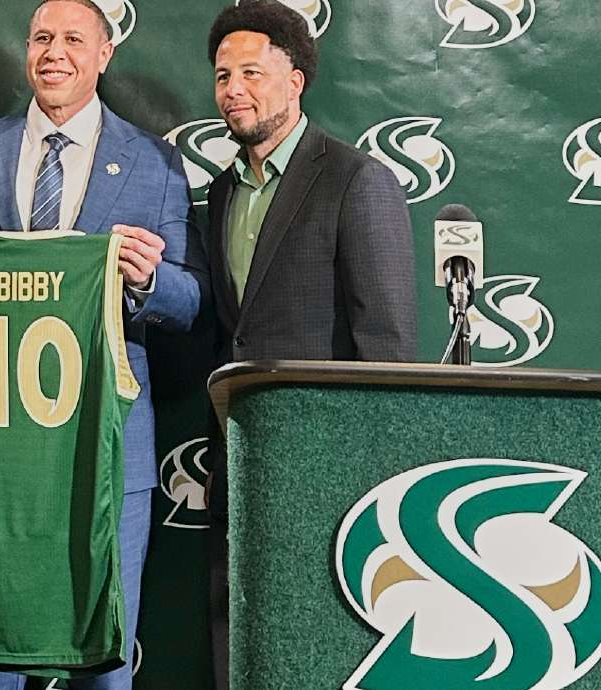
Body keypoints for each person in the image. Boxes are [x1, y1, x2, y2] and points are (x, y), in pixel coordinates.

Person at [0, 1, 206, 688]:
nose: (53, 52)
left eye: (72, 39)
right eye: (41, 38)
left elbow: (189, 301)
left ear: (104, 54)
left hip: (108, 449)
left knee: (104, 658)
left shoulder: (155, 164)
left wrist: (148, 282)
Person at [203, 2, 418, 687]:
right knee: (236, 633)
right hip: (238, 457)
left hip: (329, 467)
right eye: (222, 75)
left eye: (252, 73)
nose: (234, 88)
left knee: (321, 640)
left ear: (295, 80)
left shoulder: (357, 180)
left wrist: (364, 471)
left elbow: (386, 344)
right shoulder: (218, 192)